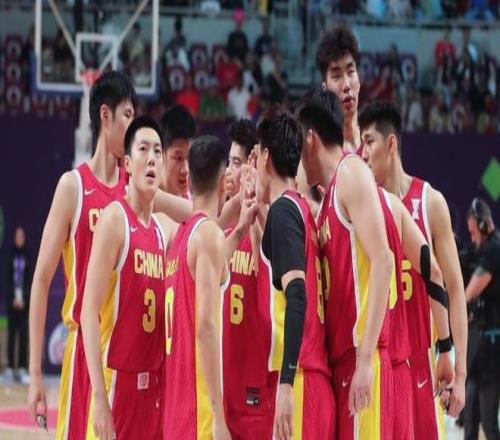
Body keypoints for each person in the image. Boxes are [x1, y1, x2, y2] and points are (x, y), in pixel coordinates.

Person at [28, 71, 137, 439]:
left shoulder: (135, 190)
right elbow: (41, 281)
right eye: (127, 115)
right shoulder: (73, 187)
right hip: (83, 354)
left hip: (126, 352)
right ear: (105, 115)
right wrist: (35, 375)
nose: (133, 127)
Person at [359, 99, 468, 437]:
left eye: (369, 141)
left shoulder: (430, 202)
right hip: (378, 360)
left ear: (391, 144)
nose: (363, 153)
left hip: (419, 361)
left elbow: (455, 289)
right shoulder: (363, 208)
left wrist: (460, 373)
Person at [81, 116, 178, 439]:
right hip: (118, 385)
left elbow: (203, 219)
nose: (152, 158)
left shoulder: (162, 230)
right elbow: (88, 311)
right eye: (143, 149)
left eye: (158, 151)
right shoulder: (114, 219)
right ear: (127, 164)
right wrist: (99, 397)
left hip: (155, 386)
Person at [255, 106, 334, 440]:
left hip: (300, 382)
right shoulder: (300, 210)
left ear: (265, 157)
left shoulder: (284, 211)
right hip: (313, 382)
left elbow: (297, 296)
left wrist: (286, 383)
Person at [163, 135, 233, 439]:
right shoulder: (208, 236)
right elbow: (205, 326)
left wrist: (239, 230)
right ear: (224, 182)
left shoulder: (180, 238)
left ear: (189, 180)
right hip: (200, 414)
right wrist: (218, 415)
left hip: (176, 411)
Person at [223, 119, 279, 438]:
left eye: (236, 163)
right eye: (228, 162)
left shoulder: (267, 223)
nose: (228, 171)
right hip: (222, 387)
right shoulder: (221, 226)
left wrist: (256, 202)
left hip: (257, 386)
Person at [463, 198, 500, 440]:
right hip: (479, 345)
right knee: (470, 421)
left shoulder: (494, 250)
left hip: (492, 348)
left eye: (473, 232)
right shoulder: (484, 250)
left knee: (488, 423)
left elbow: (470, 292)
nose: (473, 238)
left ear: (484, 225)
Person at [315, 24, 362, 154]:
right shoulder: (319, 152)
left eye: (351, 72)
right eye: (336, 76)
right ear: (325, 89)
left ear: (359, 80)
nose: (346, 85)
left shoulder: (376, 148)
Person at [5, 226, 32, 384]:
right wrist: (13, 298)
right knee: (11, 334)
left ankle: (22, 366)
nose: (19, 239)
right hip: (12, 302)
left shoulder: (28, 257)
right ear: (14, 238)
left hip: (24, 303)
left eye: (22, 236)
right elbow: (7, 280)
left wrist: (24, 299)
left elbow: (30, 281)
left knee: (23, 334)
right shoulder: (10, 256)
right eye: (17, 236)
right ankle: (10, 366)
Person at [160, 104, 196, 199]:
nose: (186, 170)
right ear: (161, 153)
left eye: (190, 158)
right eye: (179, 158)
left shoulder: (192, 197)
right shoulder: (145, 198)